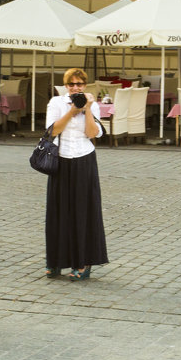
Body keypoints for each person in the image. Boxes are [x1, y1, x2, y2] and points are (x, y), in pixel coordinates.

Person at [44, 67, 108, 280]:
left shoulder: (93, 104)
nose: (75, 88)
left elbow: (92, 134)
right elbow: (52, 131)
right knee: (58, 211)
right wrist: (72, 111)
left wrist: (87, 109)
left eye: (79, 84)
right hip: (60, 160)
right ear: (66, 86)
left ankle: (83, 262)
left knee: (83, 211)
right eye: (71, 84)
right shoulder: (56, 103)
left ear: (85, 85)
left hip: (83, 158)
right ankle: (56, 261)